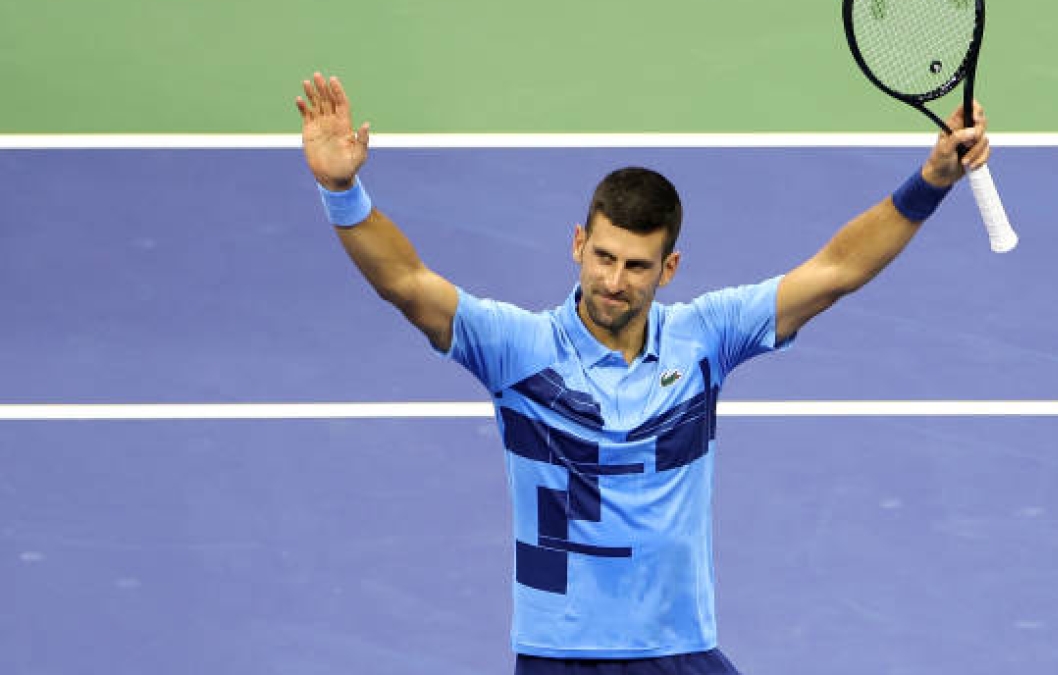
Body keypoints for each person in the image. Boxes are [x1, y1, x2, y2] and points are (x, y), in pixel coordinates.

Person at [295, 72, 991, 674]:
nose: (613, 280)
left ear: (669, 269)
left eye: (634, 265)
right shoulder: (518, 348)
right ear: (578, 244)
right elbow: (408, 284)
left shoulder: (706, 337)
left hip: (677, 648)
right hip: (557, 653)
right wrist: (343, 191)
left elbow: (835, 271)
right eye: (602, 256)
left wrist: (930, 180)